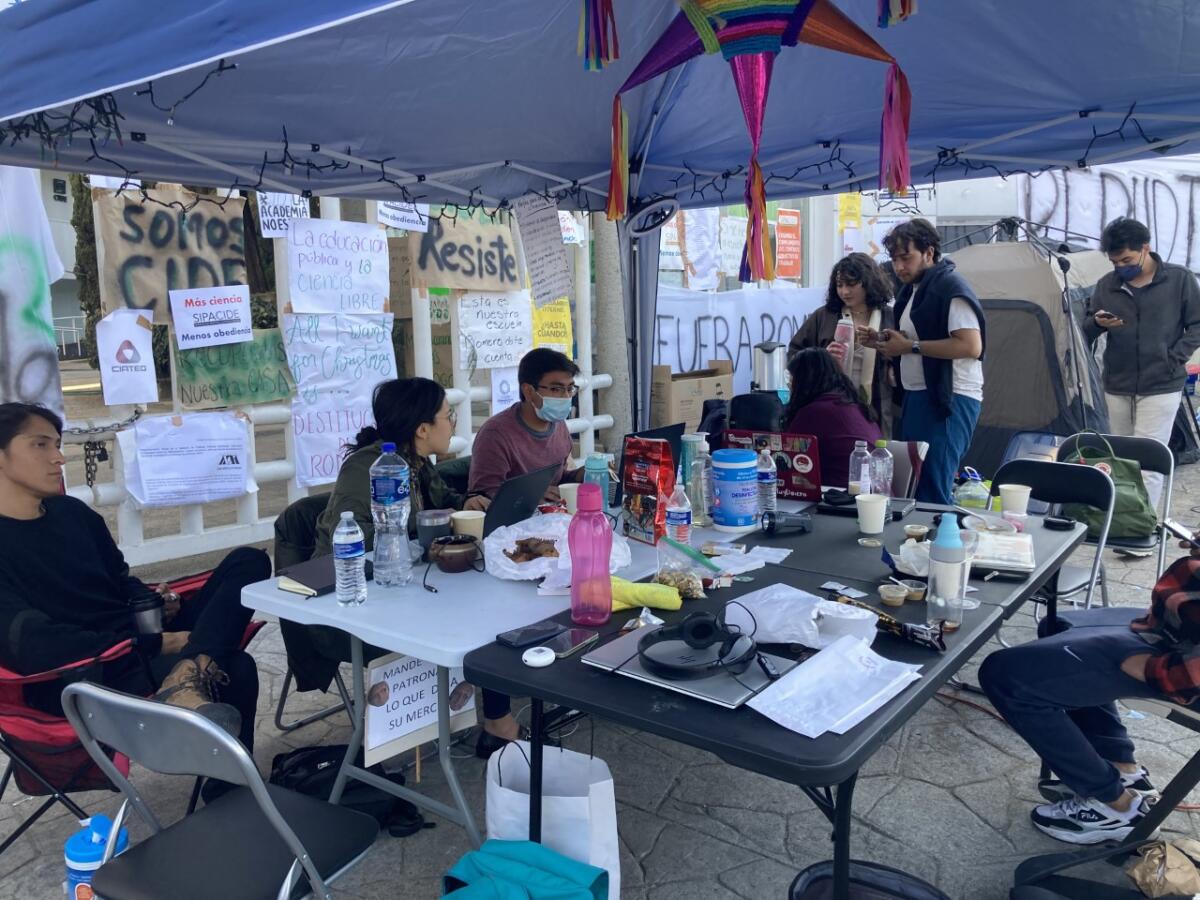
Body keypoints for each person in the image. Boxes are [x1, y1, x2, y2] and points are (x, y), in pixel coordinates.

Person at [0, 402, 268, 754]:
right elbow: (35, 644)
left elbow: (118, 579)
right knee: (235, 665)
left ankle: (185, 676)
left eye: (57, 444)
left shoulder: (73, 513)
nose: (59, 458)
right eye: (40, 444)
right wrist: (158, 644)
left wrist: (153, 604)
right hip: (85, 672)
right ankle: (227, 787)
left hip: (138, 638)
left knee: (249, 562)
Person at [313, 378, 524, 758]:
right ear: (422, 429)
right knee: (486, 614)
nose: (453, 424)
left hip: (407, 583)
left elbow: (442, 504)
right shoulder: (368, 468)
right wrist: (416, 543)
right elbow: (348, 540)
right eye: (448, 416)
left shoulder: (416, 464)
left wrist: (468, 502)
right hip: (360, 599)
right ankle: (495, 721)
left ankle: (495, 719)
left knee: (495, 602)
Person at [977, 534, 1200, 844]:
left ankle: (1114, 806)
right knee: (1056, 627)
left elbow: (1187, 678)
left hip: (1183, 670)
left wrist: (1154, 670)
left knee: (1007, 678)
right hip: (1173, 631)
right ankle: (1119, 765)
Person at [867, 218, 986, 504]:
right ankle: (917, 546)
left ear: (929, 252)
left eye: (906, 258)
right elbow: (912, 342)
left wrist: (909, 346)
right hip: (918, 395)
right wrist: (884, 341)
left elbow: (971, 345)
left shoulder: (949, 286)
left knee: (933, 485)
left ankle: (939, 545)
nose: (899, 267)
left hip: (949, 397)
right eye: (894, 260)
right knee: (914, 483)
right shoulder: (912, 291)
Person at [1085, 217, 1200, 509]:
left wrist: (1174, 357)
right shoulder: (1106, 285)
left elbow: (1197, 324)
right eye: (1115, 262)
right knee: (1118, 459)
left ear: (1145, 248)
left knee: (1148, 459)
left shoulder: (1180, 279)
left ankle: (1141, 526)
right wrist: (1097, 323)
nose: (1121, 267)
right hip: (1116, 383)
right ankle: (1119, 518)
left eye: (1126, 259)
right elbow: (1083, 329)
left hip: (1162, 382)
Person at [788, 252, 897, 434]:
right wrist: (822, 358)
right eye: (839, 285)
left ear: (869, 282)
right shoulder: (823, 316)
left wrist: (893, 364)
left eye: (851, 284)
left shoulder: (889, 316)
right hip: (829, 405)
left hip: (878, 406)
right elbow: (795, 355)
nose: (844, 291)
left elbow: (905, 356)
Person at [468, 348, 585, 500]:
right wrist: (529, 495)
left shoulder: (558, 424)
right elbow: (482, 497)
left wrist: (581, 475)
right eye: (556, 389)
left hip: (552, 518)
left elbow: (557, 482)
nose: (566, 396)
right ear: (528, 391)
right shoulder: (495, 435)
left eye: (570, 389)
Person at [782, 348, 882, 489]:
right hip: (877, 499)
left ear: (803, 381)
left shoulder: (812, 412)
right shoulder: (854, 404)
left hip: (840, 498)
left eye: (792, 380)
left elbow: (789, 461)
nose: (790, 386)